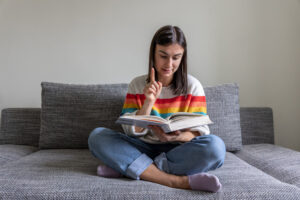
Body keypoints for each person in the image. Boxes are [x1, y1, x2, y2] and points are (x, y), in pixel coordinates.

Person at [88, 25, 226, 192]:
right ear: (153, 53)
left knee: (216, 148)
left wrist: (175, 136)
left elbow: (199, 132)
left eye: (176, 57)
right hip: (141, 147)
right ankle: (175, 181)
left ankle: (131, 168)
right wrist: (148, 102)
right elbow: (130, 131)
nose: (169, 64)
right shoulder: (137, 84)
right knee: (97, 137)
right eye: (163, 56)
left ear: (183, 57)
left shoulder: (193, 86)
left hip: (178, 152)